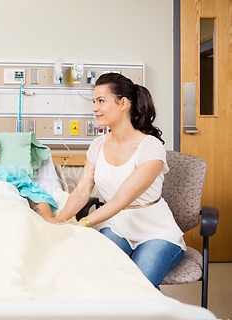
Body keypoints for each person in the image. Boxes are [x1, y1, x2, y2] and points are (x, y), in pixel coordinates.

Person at [48, 73, 185, 288]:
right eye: (94, 102)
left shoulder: (151, 147)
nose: (95, 108)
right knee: (99, 278)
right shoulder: (98, 146)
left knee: (138, 285)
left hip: (156, 229)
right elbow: (82, 190)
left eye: (101, 101)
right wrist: (61, 220)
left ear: (123, 103)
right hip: (117, 225)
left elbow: (121, 199)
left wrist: (84, 223)